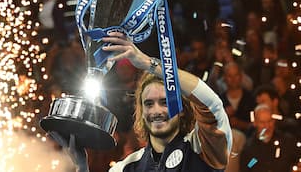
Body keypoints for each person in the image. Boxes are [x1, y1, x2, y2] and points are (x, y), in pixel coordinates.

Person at [49, 31, 232, 171]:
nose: (156, 111)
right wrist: (82, 166)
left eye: (164, 102)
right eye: (149, 104)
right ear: (141, 112)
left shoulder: (202, 149)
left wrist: (148, 64)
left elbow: (212, 104)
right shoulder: (127, 167)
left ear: (182, 108)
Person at [240, 104, 300, 172]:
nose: (267, 126)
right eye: (262, 122)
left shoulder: (288, 142)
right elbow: (247, 167)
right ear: (255, 123)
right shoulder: (249, 148)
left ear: (274, 121)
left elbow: (297, 160)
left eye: (269, 121)